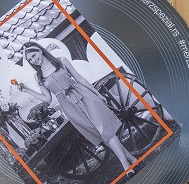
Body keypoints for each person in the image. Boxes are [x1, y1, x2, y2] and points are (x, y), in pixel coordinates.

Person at [16, 41, 136, 173]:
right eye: (30, 59)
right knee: (100, 134)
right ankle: (131, 158)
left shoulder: (61, 61)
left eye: (33, 55)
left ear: (40, 50)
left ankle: (125, 164)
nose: (34, 60)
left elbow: (80, 79)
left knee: (104, 130)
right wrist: (27, 90)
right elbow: (47, 98)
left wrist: (96, 93)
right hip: (69, 107)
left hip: (83, 95)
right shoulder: (38, 76)